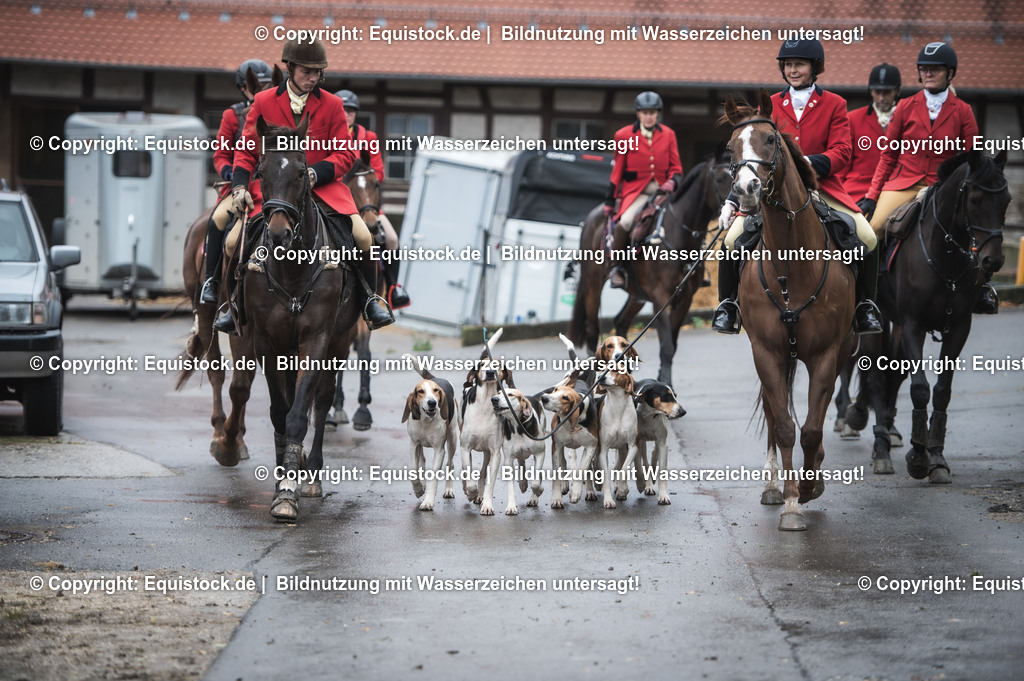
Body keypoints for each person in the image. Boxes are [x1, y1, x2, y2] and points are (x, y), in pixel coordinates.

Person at [221, 37, 394, 333]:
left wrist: (315, 174)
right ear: (290, 68)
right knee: (232, 241)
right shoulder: (263, 102)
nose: (313, 78)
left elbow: (346, 153)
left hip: (323, 188)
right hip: (277, 191)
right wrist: (239, 187)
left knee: (364, 237)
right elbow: (246, 150)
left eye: (318, 72)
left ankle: (370, 300)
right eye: (306, 72)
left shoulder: (333, 104)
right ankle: (232, 303)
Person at [712, 39, 882, 335]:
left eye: (799, 64)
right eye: (788, 65)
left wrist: (804, 163)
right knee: (731, 241)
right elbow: (750, 157)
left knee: (866, 237)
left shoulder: (834, 104)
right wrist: (732, 200)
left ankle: (865, 307)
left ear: (815, 68)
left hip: (823, 187)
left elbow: (843, 152)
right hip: (775, 192)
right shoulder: (770, 106)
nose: (793, 70)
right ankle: (728, 306)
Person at [860, 42, 995, 313]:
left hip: (944, 185)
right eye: (924, 69)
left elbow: (973, 157)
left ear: (950, 73)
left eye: (935, 69)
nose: (929, 74)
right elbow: (888, 156)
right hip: (904, 183)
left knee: (974, 228)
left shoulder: (963, 110)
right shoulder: (905, 108)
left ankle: (981, 290)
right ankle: (866, 299)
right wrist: (872, 196)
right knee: (870, 233)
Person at [200, 59, 273, 305]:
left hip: (273, 187)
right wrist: (231, 174)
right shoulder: (232, 115)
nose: (262, 90)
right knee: (218, 219)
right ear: (244, 88)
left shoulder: (278, 112)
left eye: (267, 85)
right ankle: (211, 280)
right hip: (242, 187)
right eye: (256, 86)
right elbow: (220, 155)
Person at [334, 89, 410, 308]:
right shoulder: (327, 135)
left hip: (365, 202)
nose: (347, 114)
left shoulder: (369, 138)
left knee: (393, 239)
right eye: (343, 110)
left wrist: (359, 173)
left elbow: (379, 173)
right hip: (336, 201)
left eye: (351, 111)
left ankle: (394, 289)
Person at [603, 91, 683, 289]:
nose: (649, 116)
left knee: (683, 219)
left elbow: (676, 168)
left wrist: (672, 182)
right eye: (645, 113)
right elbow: (617, 172)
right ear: (638, 114)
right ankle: (617, 267)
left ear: (658, 114)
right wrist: (610, 201)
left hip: (663, 192)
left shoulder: (669, 135)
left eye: (652, 113)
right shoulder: (623, 136)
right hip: (636, 192)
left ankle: (691, 266)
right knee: (625, 222)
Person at [841, 63, 901, 203]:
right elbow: (843, 163)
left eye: (886, 93)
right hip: (857, 188)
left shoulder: (909, 119)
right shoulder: (853, 119)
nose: (881, 98)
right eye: (877, 92)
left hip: (893, 188)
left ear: (897, 91)